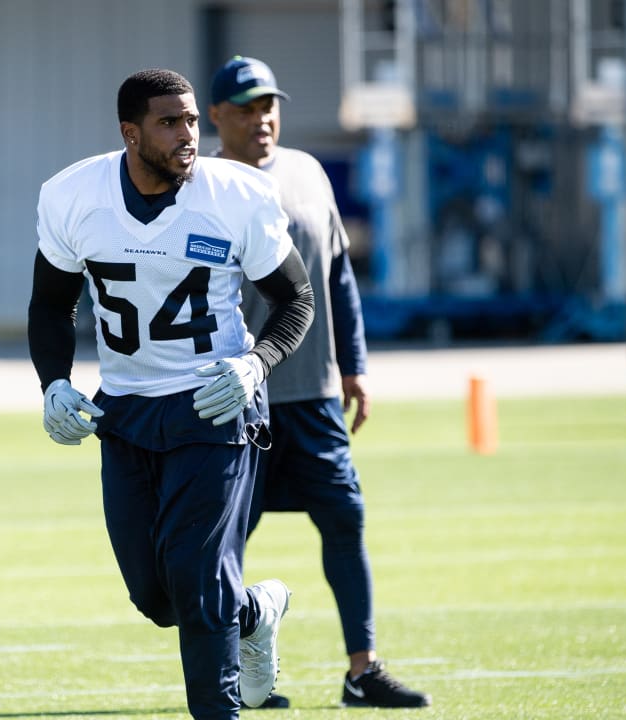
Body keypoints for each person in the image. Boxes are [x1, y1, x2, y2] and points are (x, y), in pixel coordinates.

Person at [28, 67, 316, 720]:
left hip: (215, 400)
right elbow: (50, 307)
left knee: (194, 572)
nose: (189, 135)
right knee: (157, 598)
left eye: (191, 120)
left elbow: (294, 300)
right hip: (126, 409)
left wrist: (255, 365)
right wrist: (53, 384)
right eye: (169, 122)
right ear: (130, 133)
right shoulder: (74, 195)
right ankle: (255, 610)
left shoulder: (237, 194)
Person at [208, 56, 432, 709]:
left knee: (345, 518)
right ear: (217, 116)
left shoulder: (307, 172)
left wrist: (354, 365)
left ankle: (362, 670)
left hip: (312, 395)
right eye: (246, 108)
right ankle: (235, 677)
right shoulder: (203, 185)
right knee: (221, 544)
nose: (261, 118)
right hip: (236, 403)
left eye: (268, 105)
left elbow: (338, 277)